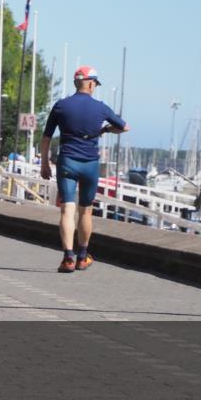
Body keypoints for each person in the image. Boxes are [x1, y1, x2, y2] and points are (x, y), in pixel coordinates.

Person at [40, 66, 128, 273]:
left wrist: (44, 163)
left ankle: (67, 258)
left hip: (67, 161)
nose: (95, 87)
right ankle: (82, 256)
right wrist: (106, 129)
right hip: (90, 164)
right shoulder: (100, 107)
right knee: (86, 210)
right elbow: (124, 127)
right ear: (90, 83)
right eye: (95, 84)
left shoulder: (61, 106)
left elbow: (46, 137)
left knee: (67, 209)